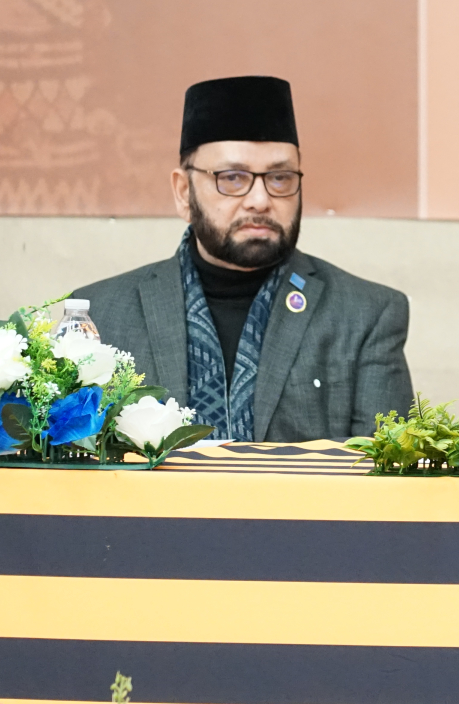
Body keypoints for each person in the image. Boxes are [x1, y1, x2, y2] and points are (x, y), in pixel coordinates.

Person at [75, 76, 413, 441]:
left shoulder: (365, 315)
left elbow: (384, 468)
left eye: (280, 178)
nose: (260, 200)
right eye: (232, 178)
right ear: (184, 191)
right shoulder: (103, 315)